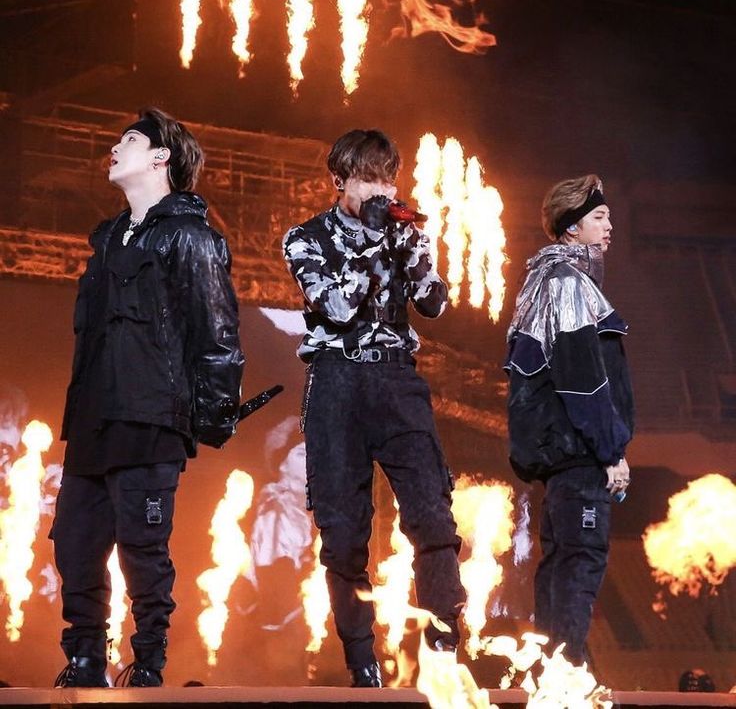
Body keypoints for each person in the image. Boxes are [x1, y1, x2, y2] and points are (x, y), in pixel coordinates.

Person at [51, 107, 244, 687]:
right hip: (92, 418)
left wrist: (211, 415)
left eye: (128, 140)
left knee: (142, 545)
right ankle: (84, 657)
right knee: (76, 543)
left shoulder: (191, 235)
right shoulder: (108, 239)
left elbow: (217, 330)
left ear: (161, 157)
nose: (114, 147)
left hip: (150, 415)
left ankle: (149, 661)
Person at [283, 129, 465, 687]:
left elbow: (434, 305)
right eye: (368, 179)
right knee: (343, 532)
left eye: (388, 177)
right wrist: (372, 242)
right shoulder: (305, 238)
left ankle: (443, 640)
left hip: (395, 380)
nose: (381, 190)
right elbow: (336, 306)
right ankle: (362, 662)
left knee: (431, 510)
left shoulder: (401, 231)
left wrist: (415, 250)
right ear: (340, 181)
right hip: (336, 384)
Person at [504, 174, 633, 666]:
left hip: (561, 461)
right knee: (579, 563)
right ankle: (570, 674)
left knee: (559, 565)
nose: (610, 225)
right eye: (599, 216)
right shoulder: (567, 283)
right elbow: (584, 381)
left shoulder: (542, 280)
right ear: (572, 226)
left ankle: (554, 673)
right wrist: (611, 452)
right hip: (579, 458)